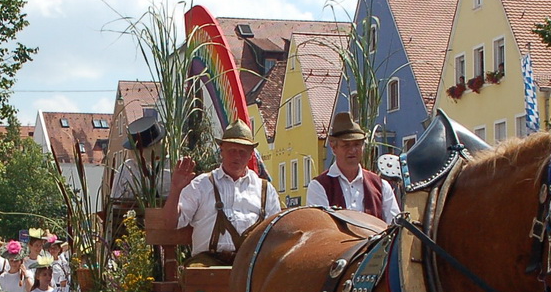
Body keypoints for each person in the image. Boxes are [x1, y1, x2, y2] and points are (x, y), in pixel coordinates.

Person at [167, 118, 281, 264]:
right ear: (221, 150)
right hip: (207, 262)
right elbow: (171, 224)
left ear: (251, 154)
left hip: (250, 265)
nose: (237, 157)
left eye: (242, 152)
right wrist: (175, 190)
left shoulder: (265, 190)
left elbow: (276, 233)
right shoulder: (201, 184)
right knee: (197, 278)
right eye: (232, 150)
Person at [307, 110, 399, 223]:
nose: (352, 150)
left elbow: (395, 228)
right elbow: (321, 229)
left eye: (357, 144)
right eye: (346, 145)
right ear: (333, 147)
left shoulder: (381, 186)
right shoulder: (319, 186)